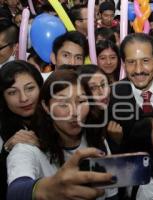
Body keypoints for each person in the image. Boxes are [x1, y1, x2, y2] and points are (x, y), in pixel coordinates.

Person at [6, 70, 117, 200]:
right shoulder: (28, 148)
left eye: (81, 101)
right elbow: (15, 192)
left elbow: (111, 194)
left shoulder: (97, 140)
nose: (75, 112)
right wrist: (46, 189)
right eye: (63, 104)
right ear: (46, 107)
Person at [0, 60, 43, 199]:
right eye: (12, 92)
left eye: (30, 88)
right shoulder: (2, 127)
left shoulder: (61, 118)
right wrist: (6, 150)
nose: (24, 98)